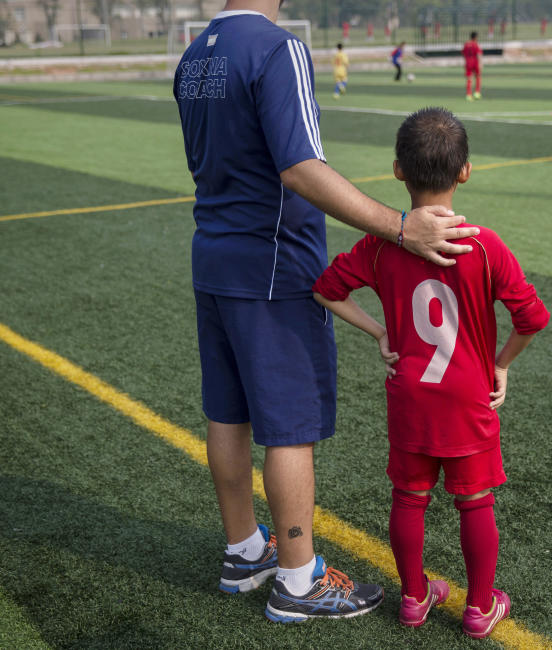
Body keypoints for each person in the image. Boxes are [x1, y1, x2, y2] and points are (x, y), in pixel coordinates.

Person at [174, 0, 480, 624]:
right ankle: (296, 578)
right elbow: (299, 167)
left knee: (227, 412)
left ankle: (244, 551)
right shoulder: (276, 47)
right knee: (288, 425)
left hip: (214, 258)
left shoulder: (192, 55)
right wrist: (400, 226)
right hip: (272, 265)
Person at [312, 107, 550, 639]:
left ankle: (415, 600)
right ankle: (479, 607)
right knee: (475, 501)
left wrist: (379, 333)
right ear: (465, 171)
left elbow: (326, 290)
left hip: (410, 398)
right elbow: (533, 317)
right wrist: (500, 363)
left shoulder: (380, 244)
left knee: (408, 499)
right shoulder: (485, 245)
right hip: (468, 396)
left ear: (398, 170)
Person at [463, 31, 482, 100]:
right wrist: (480, 64)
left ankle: (468, 95)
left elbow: (464, 53)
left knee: (469, 79)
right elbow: (479, 54)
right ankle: (477, 93)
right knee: (477, 77)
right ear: (476, 37)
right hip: (475, 62)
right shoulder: (475, 44)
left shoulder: (466, 44)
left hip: (468, 62)